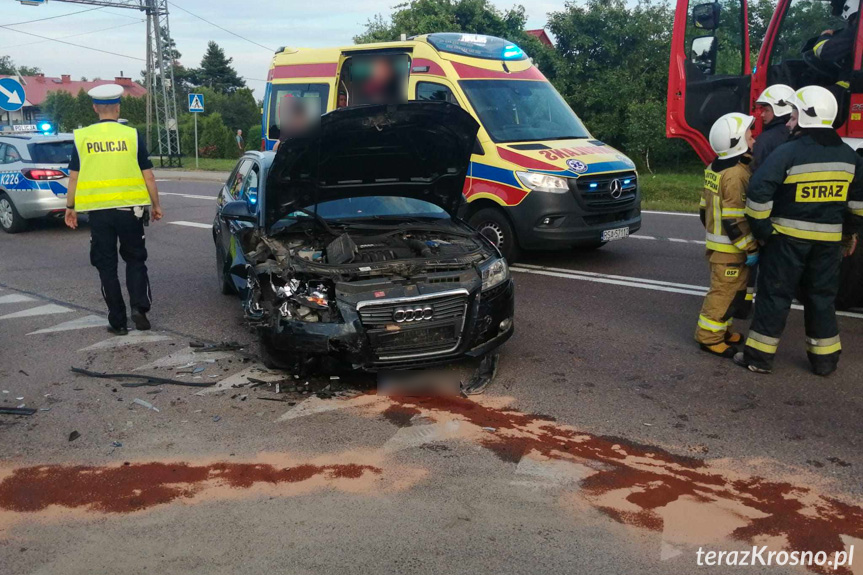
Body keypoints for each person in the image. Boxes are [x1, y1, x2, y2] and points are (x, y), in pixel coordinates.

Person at [736, 86, 863, 375]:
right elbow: (858, 205)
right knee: (822, 299)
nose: (790, 123)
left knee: (774, 297)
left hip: (786, 243)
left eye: (793, 117)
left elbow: (758, 193)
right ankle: (825, 361)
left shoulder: (787, 153)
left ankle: (758, 358)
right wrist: (848, 234)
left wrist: (764, 231)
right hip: (829, 245)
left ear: (806, 117)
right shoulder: (850, 156)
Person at [64, 84, 163, 336]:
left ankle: (117, 321)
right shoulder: (131, 135)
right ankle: (140, 309)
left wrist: (70, 207)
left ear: (95, 108)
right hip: (131, 211)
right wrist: (156, 204)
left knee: (106, 265)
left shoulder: (82, 137)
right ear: (118, 107)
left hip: (98, 212)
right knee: (135, 260)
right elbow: (148, 175)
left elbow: (74, 177)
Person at [695, 113, 759, 358]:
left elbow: (704, 210)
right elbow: (735, 220)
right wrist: (751, 248)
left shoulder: (714, 168)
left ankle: (722, 330)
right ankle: (708, 338)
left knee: (732, 292)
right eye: (749, 134)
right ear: (736, 141)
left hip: (722, 246)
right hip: (731, 250)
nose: (753, 137)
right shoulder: (735, 175)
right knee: (723, 294)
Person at [752, 84, 794, 171]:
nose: (762, 114)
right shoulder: (797, 136)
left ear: (779, 110)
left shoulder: (763, 140)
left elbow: (755, 171)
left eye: (766, 110)